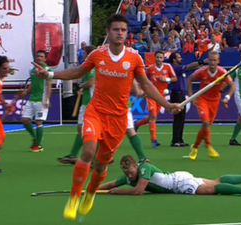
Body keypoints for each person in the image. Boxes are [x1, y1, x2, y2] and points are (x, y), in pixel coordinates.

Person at [32, 14, 181, 221]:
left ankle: (90, 194)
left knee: (101, 165)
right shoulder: (97, 55)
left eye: (123, 30)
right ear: (108, 32)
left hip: (118, 119)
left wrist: (166, 104)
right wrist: (50, 74)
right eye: (116, 29)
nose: (120, 33)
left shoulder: (134, 58)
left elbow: (146, 85)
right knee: (89, 150)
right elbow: (78, 71)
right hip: (96, 112)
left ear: (126, 33)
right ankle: (74, 198)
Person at [57, 46, 148, 165]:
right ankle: (81, 156)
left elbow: (91, 82)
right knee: (88, 130)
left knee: (126, 131)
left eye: (84, 52)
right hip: (97, 104)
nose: (83, 54)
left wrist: (81, 86)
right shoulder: (96, 65)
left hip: (109, 106)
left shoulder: (99, 66)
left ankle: (141, 158)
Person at [98, 155, 241, 196]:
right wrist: (92, 190)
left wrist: (119, 192)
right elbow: (111, 184)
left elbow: (139, 191)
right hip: (178, 177)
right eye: (127, 173)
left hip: (178, 184)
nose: (130, 176)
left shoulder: (144, 168)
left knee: (210, 189)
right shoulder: (128, 176)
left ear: (136, 166)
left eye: (131, 172)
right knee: (215, 181)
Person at [187, 51, 235, 161]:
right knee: (205, 122)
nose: (212, 62)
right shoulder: (202, 71)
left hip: (215, 101)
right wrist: (190, 96)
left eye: (215, 60)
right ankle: (208, 146)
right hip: (202, 99)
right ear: (208, 60)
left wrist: (227, 97)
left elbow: (232, 86)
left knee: (206, 126)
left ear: (218, 61)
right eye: (210, 60)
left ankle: (195, 147)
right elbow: (190, 79)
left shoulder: (222, 72)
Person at [135, 51, 177, 148]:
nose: (159, 59)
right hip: (151, 94)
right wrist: (142, 90)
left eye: (161, 57)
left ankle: (137, 124)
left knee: (152, 117)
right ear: (155, 58)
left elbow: (175, 78)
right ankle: (153, 140)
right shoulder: (150, 68)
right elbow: (142, 78)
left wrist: (166, 79)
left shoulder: (168, 67)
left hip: (161, 96)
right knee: (153, 115)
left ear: (163, 58)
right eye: (157, 57)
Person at [168, 52, 209, 147]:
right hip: (177, 94)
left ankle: (179, 139)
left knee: (181, 117)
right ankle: (175, 140)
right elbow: (190, 66)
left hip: (181, 94)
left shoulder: (180, 69)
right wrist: (202, 62)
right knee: (178, 117)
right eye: (179, 57)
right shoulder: (175, 68)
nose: (181, 58)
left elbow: (192, 68)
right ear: (174, 60)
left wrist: (200, 66)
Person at [21, 50, 52, 152]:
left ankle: (38, 145)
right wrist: (26, 91)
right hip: (32, 99)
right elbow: (32, 83)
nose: (39, 58)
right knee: (25, 119)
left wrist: (47, 99)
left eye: (41, 56)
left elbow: (49, 86)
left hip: (41, 99)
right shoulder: (32, 69)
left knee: (38, 121)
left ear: (45, 58)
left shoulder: (47, 70)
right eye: (38, 56)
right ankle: (35, 138)